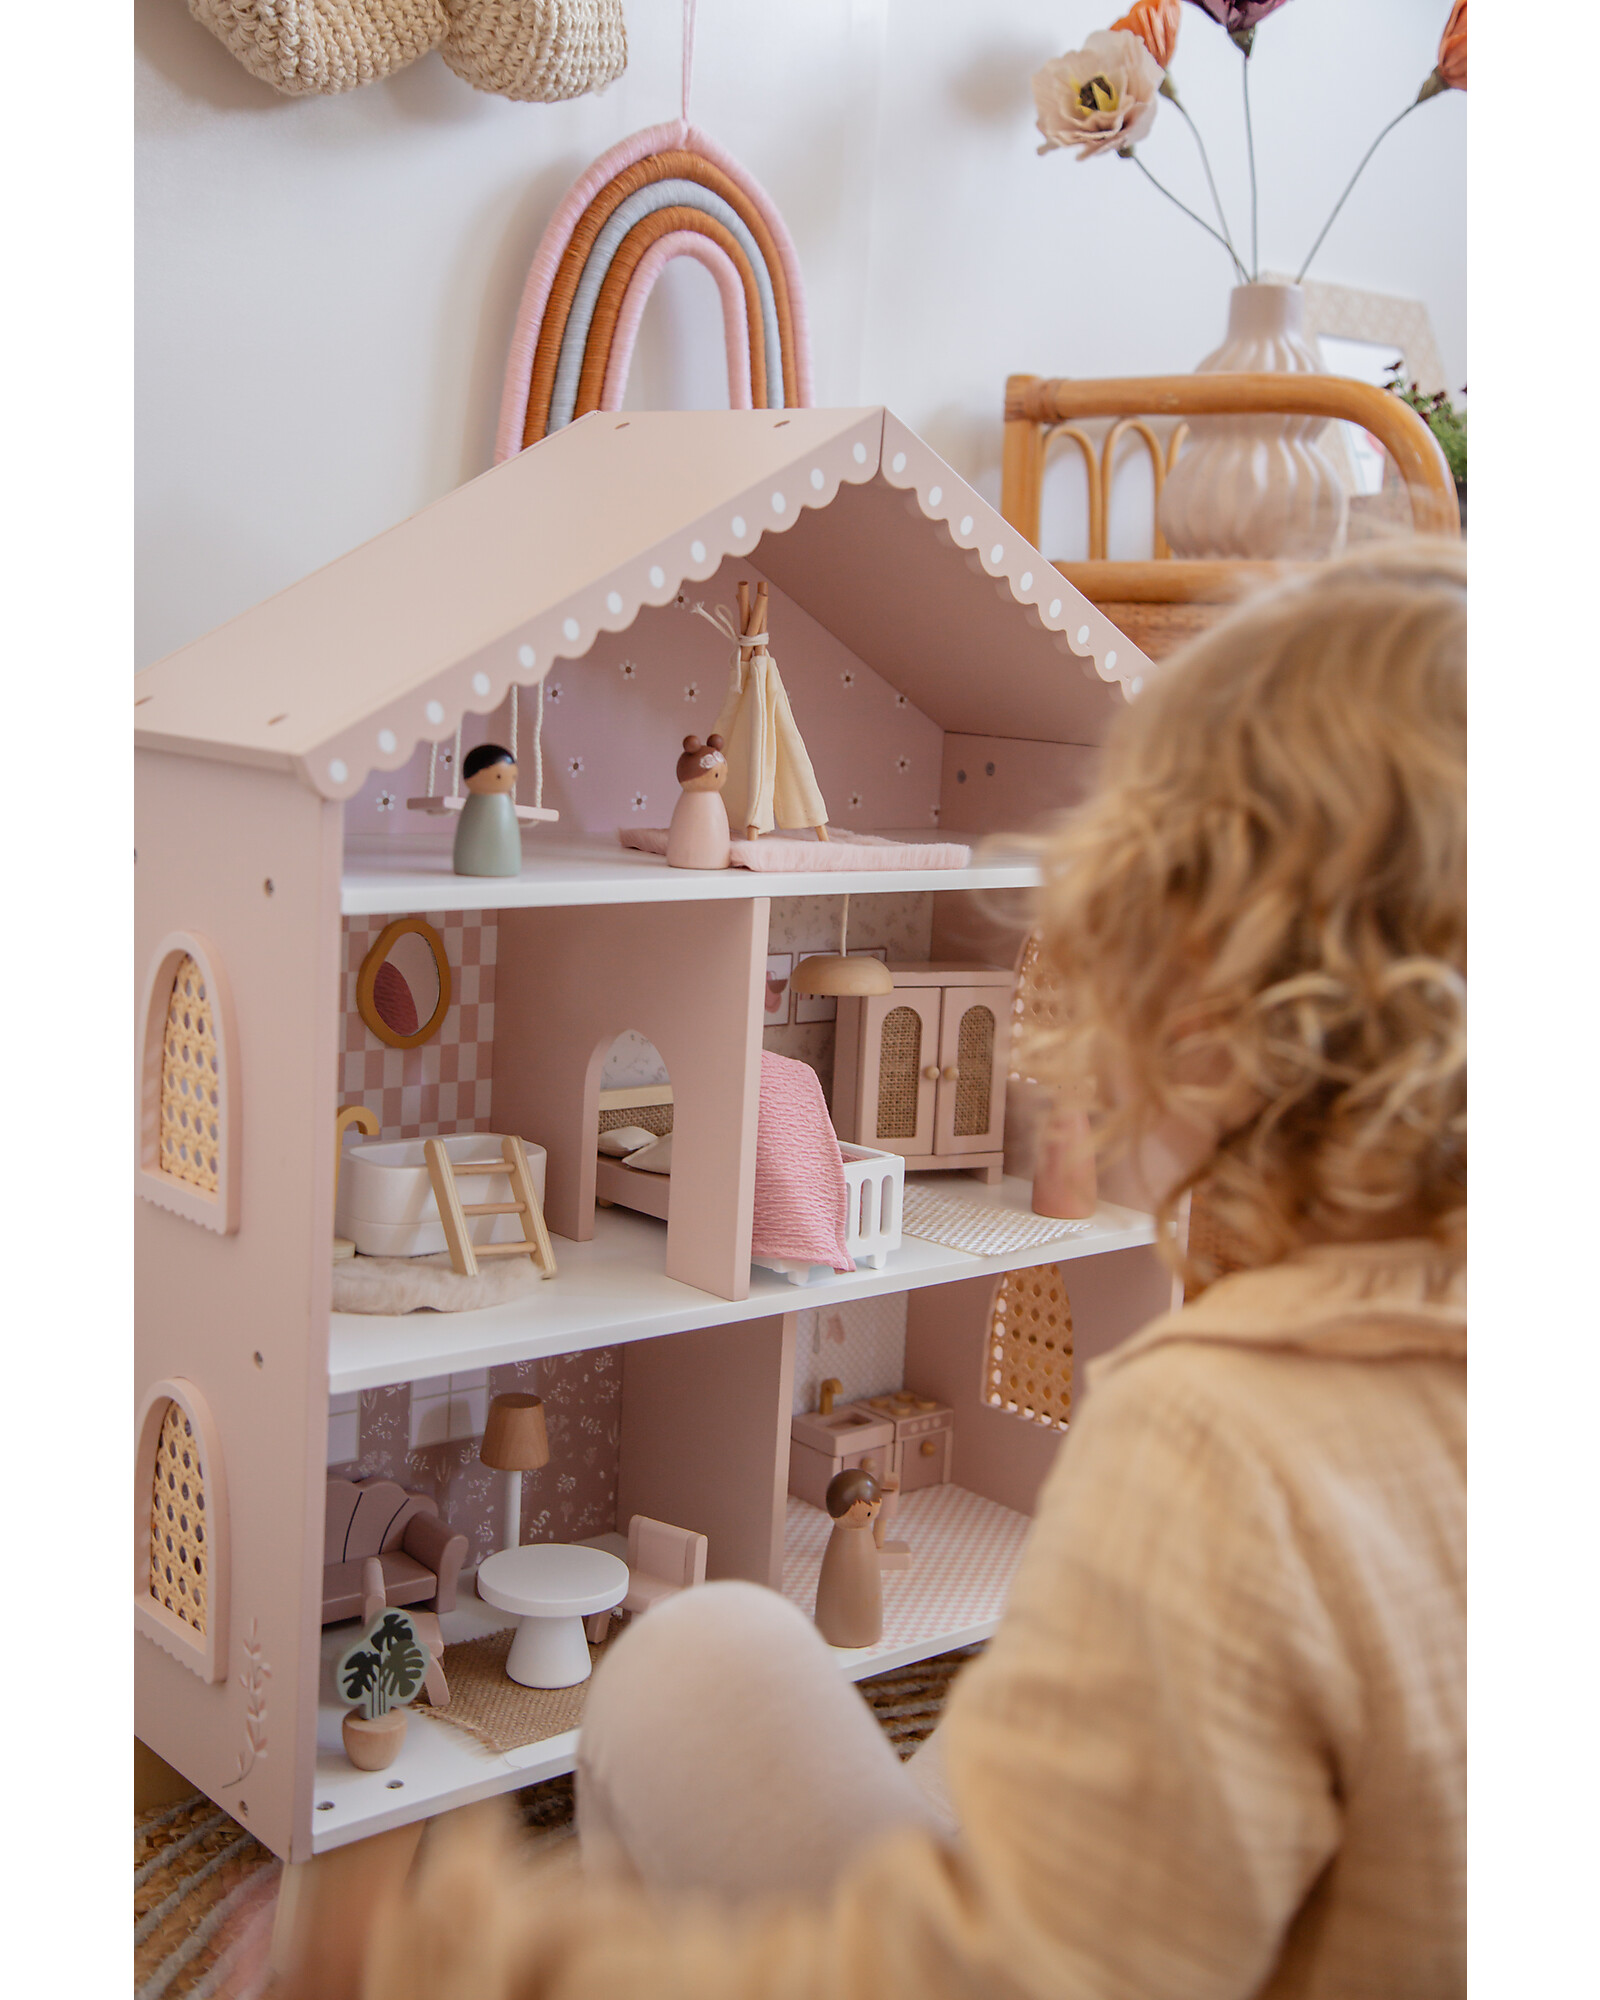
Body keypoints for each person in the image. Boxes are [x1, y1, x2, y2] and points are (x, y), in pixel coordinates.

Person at [361, 541, 1467, 2000]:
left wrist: (511, 1961)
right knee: (736, 1653)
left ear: (1193, 992)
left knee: (692, 1663)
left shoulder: (1224, 1449)